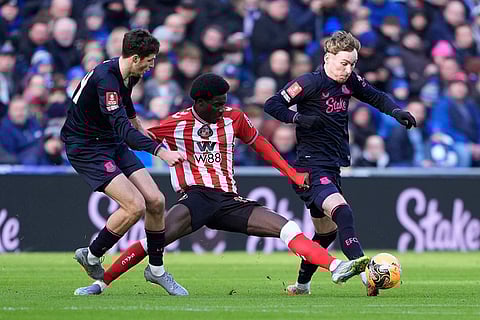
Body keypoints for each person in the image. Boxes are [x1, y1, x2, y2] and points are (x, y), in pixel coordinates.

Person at [74, 73, 370, 296]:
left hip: (229, 200)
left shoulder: (234, 117)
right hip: (195, 199)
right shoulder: (174, 124)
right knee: (154, 240)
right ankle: (101, 284)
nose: (221, 109)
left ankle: (335, 267)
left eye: (224, 104)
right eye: (216, 105)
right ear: (199, 102)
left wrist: (291, 173)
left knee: (288, 227)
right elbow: (140, 137)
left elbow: (262, 146)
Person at [263, 30, 416, 296]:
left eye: (353, 64)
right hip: (309, 167)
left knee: (325, 234)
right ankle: (366, 273)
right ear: (327, 58)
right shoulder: (309, 83)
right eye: (344, 63)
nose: (348, 69)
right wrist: (297, 119)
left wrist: (396, 111)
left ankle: (301, 286)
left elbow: (376, 96)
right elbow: (271, 104)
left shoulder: (350, 82)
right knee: (342, 211)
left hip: (332, 165)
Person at [61, 29, 188, 296]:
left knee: (156, 201)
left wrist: (142, 128)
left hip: (108, 140)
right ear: (134, 57)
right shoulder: (106, 81)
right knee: (134, 206)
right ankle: (92, 255)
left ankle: (156, 271)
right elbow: (122, 130)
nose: (152, 65)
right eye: (150, 60)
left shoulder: (127, 74)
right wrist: (161, 152)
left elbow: (127, 109)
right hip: (86, 147)